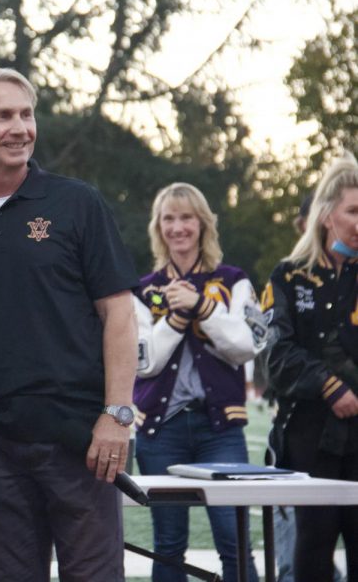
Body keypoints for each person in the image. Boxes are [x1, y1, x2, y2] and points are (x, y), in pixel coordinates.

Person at [0, 67, 139, 581]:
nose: (20, 127)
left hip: (82, 442)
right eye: (2, 115)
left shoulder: (77, 203)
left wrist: (117, 415)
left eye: (26, 114)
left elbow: (118, 312)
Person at [134, 182, 263, 582]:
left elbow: (248, 345)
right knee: (169, 546)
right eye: (168, 218)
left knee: (234, 540)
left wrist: (202, 307)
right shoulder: (142, 289)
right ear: (158, 227)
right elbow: (144, 363)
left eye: (186, 217)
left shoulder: (234, 280)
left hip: (220, 428)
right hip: (160, 429)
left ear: (203, 223)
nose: (178, 227)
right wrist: (175, 319)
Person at [262, 152, 358, 581]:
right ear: (325, 215)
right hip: (309, 435)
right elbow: (276, 354)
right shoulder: (288, 277)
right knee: (313, 545)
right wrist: (329, 386)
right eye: (353, 210)